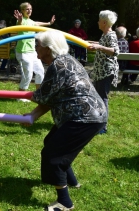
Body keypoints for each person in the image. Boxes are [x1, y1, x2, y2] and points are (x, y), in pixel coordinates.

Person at [23, 30, 107, 211]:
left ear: (47, 48)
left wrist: (27, 97)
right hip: (89, 115)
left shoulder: (59, 65)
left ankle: (64, 203)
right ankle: (71, 181)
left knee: (54, 156)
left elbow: (42, 96)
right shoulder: (66, 60)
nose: (35, 47)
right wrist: (33, 116)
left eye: (37, 44)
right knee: (51, 142)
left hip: (83, 117)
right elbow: (51, 97)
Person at [13, 2, 55, 102]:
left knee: (40, 72)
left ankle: (39, 95)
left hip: (32, 52)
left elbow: (37, 23)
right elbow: (20, 24)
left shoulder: (31, 22)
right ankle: (21, 96)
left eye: (30, 9)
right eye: (27, 9)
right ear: (22, 11)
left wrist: (49, 23)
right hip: (23, 52)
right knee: (28, 74)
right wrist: (19, 20)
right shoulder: (21, 21)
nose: (29, 11)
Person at [87, 10, 119, 135]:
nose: (98, 22)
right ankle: (97, 122)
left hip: (106, 71)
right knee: (99, 97)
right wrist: (89, 42)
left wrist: (99, 47)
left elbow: (115, 51)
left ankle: (102, 127)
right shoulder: (105, 35)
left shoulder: (111, 35)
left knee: (102, 98)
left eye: (99, 20)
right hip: (101, 71)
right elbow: (101, 44)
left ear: (104, 22)